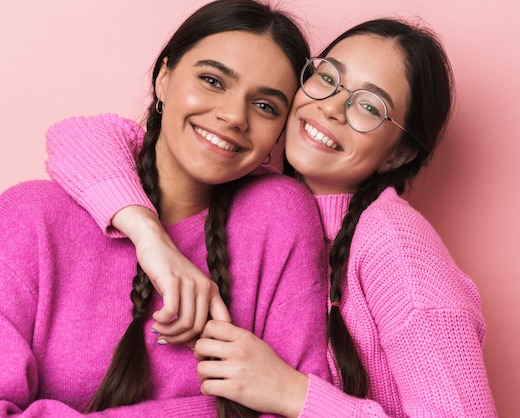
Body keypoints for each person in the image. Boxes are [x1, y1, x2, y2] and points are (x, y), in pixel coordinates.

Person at [44, 17, 498, 418]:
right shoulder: (259, 187)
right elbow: (79, 137)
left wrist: (294, 393)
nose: (331, 107)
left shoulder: (397, 245)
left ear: (398, 154)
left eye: (369, 106)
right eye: (327, 78)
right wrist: (150, 238)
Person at [0, 1, 330, 416]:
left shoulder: (279, 216)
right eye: (212, 80)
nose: (232, 116)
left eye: (265, 106)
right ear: (163, 78)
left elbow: (297, 398)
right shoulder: (29, 218)